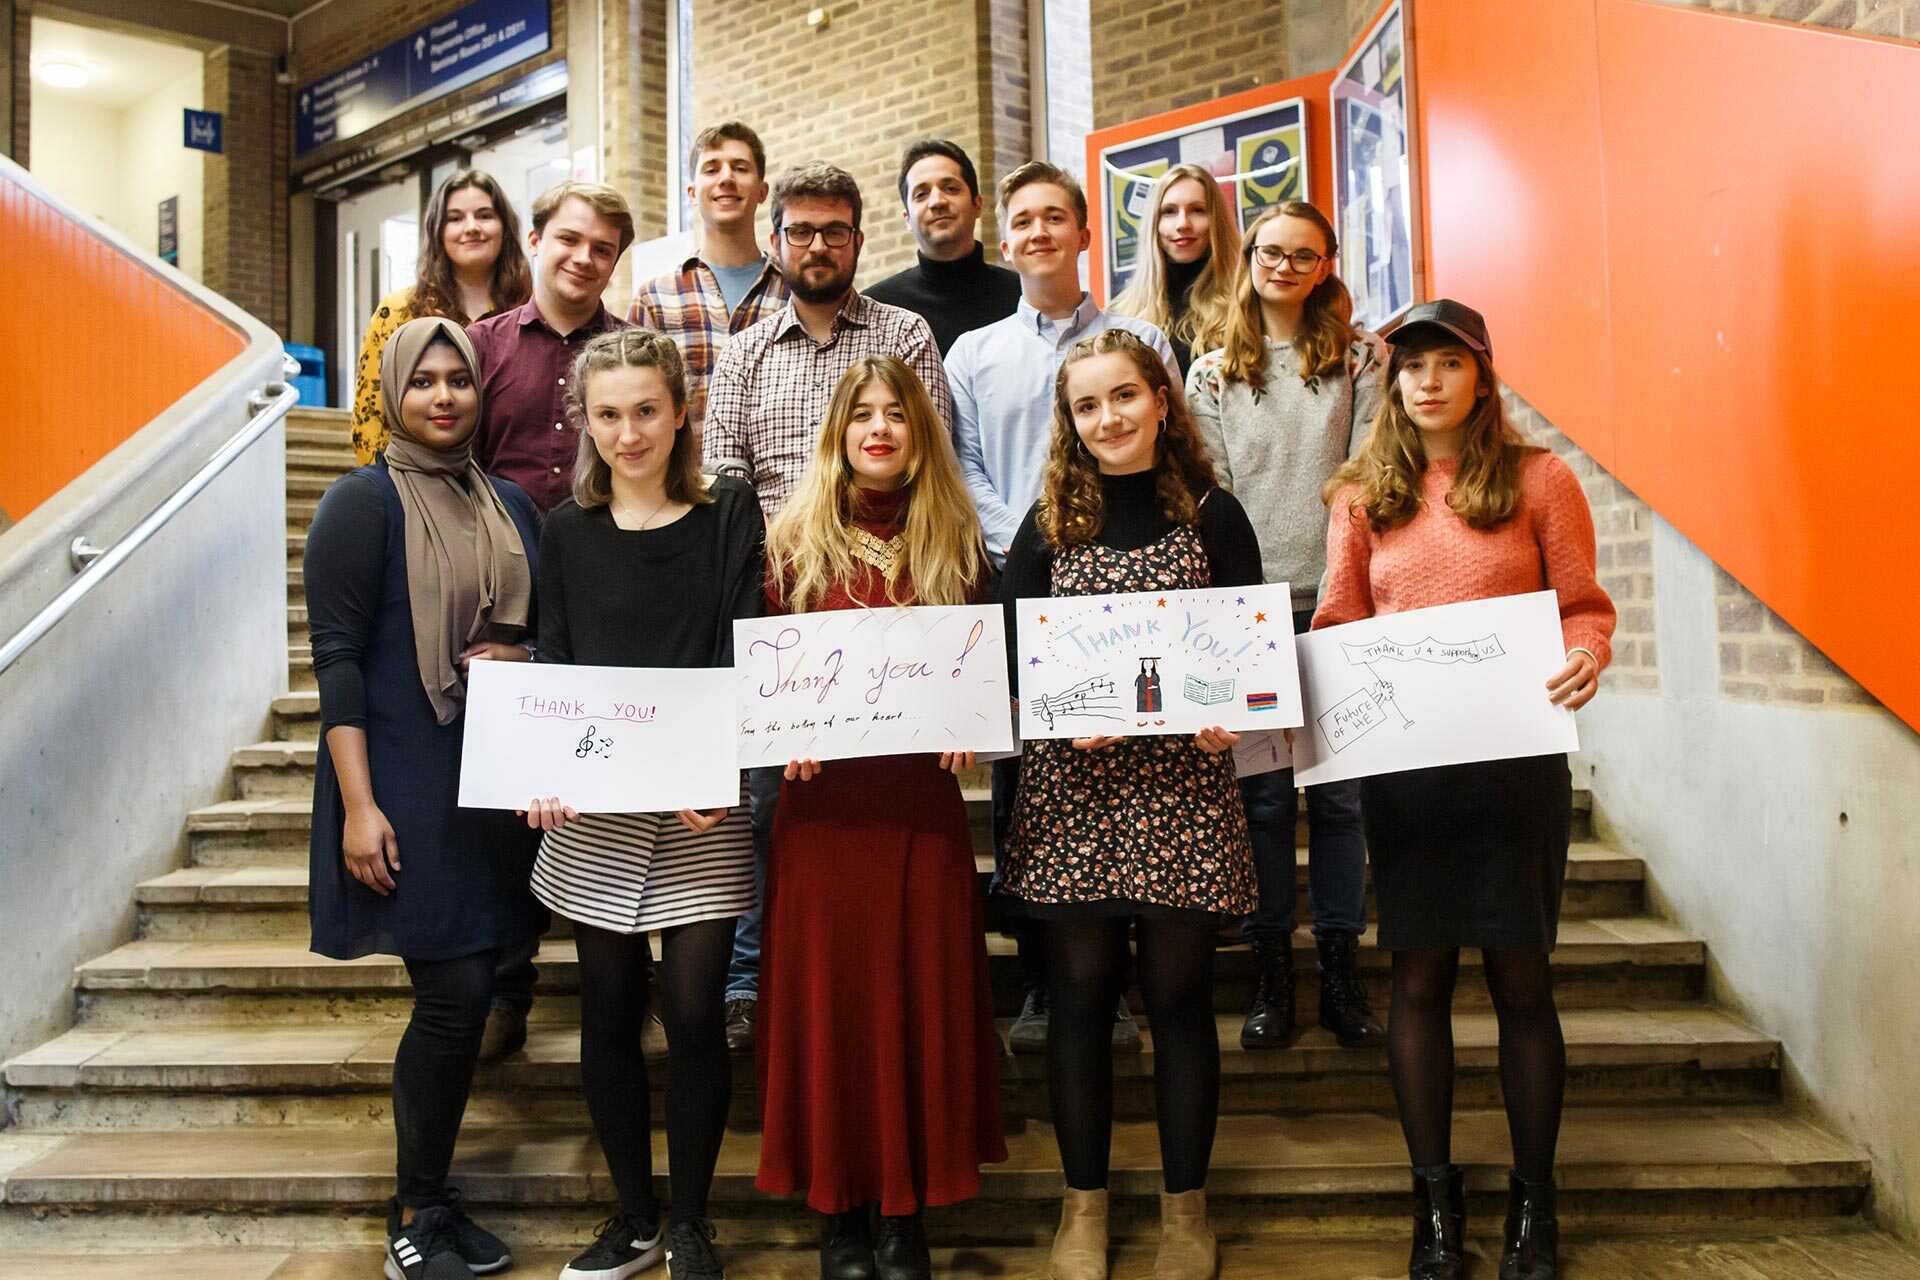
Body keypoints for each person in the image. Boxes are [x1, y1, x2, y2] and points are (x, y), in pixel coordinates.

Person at [1314, 300, 1615, 1280]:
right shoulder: (1362, 495)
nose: (1429, 381)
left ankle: (1534, 1205)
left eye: (1449, 363)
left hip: (1517, 769)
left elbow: (1583, 607)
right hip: (1409, 775)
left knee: (1522, 980)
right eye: (1412, 366)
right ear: (1393, 382)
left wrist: (1585, 654)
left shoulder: (1540, 478)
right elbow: (1339, 620)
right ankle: (1435, 1208)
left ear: (1482, 375)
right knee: (1418, 980)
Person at [1000, 328, 1261, 1280]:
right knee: (1079, 1001)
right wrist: (1064, 713)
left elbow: (1249, 651)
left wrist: (1231, 713)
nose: (1107, 418)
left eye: (1123, 396)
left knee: (1181, 1000)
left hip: (1185, 794)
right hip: (1077, 798)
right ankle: (1084, 1208)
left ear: (1159, 399)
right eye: (1086, 405)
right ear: (1069, 421)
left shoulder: (1213, 514)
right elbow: (1014, 661)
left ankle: (1186, 1211)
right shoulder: (1046, 525)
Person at [754, 356, 1005, 1280]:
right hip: (822, 815)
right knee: (835, 1006)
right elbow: (765, 679)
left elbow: (984, 673)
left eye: (896, 413)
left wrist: (974, 723)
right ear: (838, 430)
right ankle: (841, 1211)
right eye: (862, 414)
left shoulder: (959, 543)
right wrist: (782, 731)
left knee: (916, 997)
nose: (879, 429)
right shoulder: (792, 545)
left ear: (920, 432)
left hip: (919, 816)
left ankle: (905, 1214)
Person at [305, 317, 543, 1280]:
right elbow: (337, 661)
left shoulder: (511, 503)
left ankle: (433, 1202)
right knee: (453, 998)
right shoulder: (360, 503)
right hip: (403, 775)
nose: (444, 397)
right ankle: (415, 1211)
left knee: (475, 987)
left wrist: (524, 654)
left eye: (460, 380)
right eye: (423, 381)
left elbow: (544, 632)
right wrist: (358, 807)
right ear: (394, 394)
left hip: (492, 781)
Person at [521, 329, 762, 1280]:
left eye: (647, 411)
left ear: (680, 411)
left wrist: (720, 768)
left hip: (703, 804)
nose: (629, 434)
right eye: (610, 415)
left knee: (697, 1014)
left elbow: (742, 643)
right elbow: (556, 661)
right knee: (610, 1011)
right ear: (586, 422)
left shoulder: (728, 511)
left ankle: (692, 1222)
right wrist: (545, 769)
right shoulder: (564, 530)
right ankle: (633, 1217)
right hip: (598, 810)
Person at [703, 161, 954, 1052]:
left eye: (834, 231)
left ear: (857, 240)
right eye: (801, 231)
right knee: (770, 804)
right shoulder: (745, 351)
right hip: (788, 603)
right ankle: (753, 981)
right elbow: (726, 485)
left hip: (899, 593)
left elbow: (934, 455)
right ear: (776, 242)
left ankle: (880, 984)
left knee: (890, 808)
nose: (818, 245)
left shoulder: (904, 334)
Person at [946, 159, 1178, 1054]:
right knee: (1029, 786)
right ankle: (1049, 975)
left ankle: (1118, 983)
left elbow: (1170, 448)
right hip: (1025, 574)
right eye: (1023, 220)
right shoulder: (975, 354)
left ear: (1085, 233)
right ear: (1004, 241)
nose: (1038, 231)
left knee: (1137, 769)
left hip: (1133, 584)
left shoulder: (1140, 338)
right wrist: (1031, 539)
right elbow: (965, 463)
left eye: (1055, 216)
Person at [1185, 202, 1387, 1053]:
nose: (1284, 266)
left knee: (1339, 799)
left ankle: (1339, 968)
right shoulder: (1210, 373)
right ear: (1250, 258)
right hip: (1250, 610)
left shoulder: (1360, 357)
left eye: (1304, 255)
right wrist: (1239, 607)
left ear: (1325, 264)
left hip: (1337, 600)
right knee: (1264, 800)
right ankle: (1273, 971)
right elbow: (1214, 493)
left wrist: (1342, 574)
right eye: (1271, 251)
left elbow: (1369, 469)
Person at [469, 180, 636, 516]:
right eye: (569, 239)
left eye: (602, 250)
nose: (583, 258)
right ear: (535, 240)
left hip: (609, 541)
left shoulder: (635, 356)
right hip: (497, 541)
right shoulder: (479, 345)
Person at [351, 170, 532, 464]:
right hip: (416, 481)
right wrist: (384, 485)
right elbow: (370, 419)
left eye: (485, 215)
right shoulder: (398, 312)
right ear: (438, 231)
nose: (471, 227)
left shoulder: (530, 313)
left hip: (510, 480)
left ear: (505, 227)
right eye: (455, 218)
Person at [629, 121, 790, 437]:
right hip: (687, 470)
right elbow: (634, 406)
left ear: (762, 192)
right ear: (691, 193)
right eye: (712, 169)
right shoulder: (654, 300)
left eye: (740, 168)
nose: (726, 178)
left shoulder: (794, 294)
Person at [865, 138, 1022, 355]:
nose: (937, 201)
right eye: (921, 194)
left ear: (977, 205)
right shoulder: (876, 310)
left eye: (950, 188)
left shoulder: (1021, 297)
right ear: (907, 218)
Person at [1108, 163, 1241, 374]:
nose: (1183, 224)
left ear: (1217, 221)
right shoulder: (1121, 314)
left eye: (1197, 210)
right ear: (1154, 223)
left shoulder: (1244, 305)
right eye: (1169, 212)